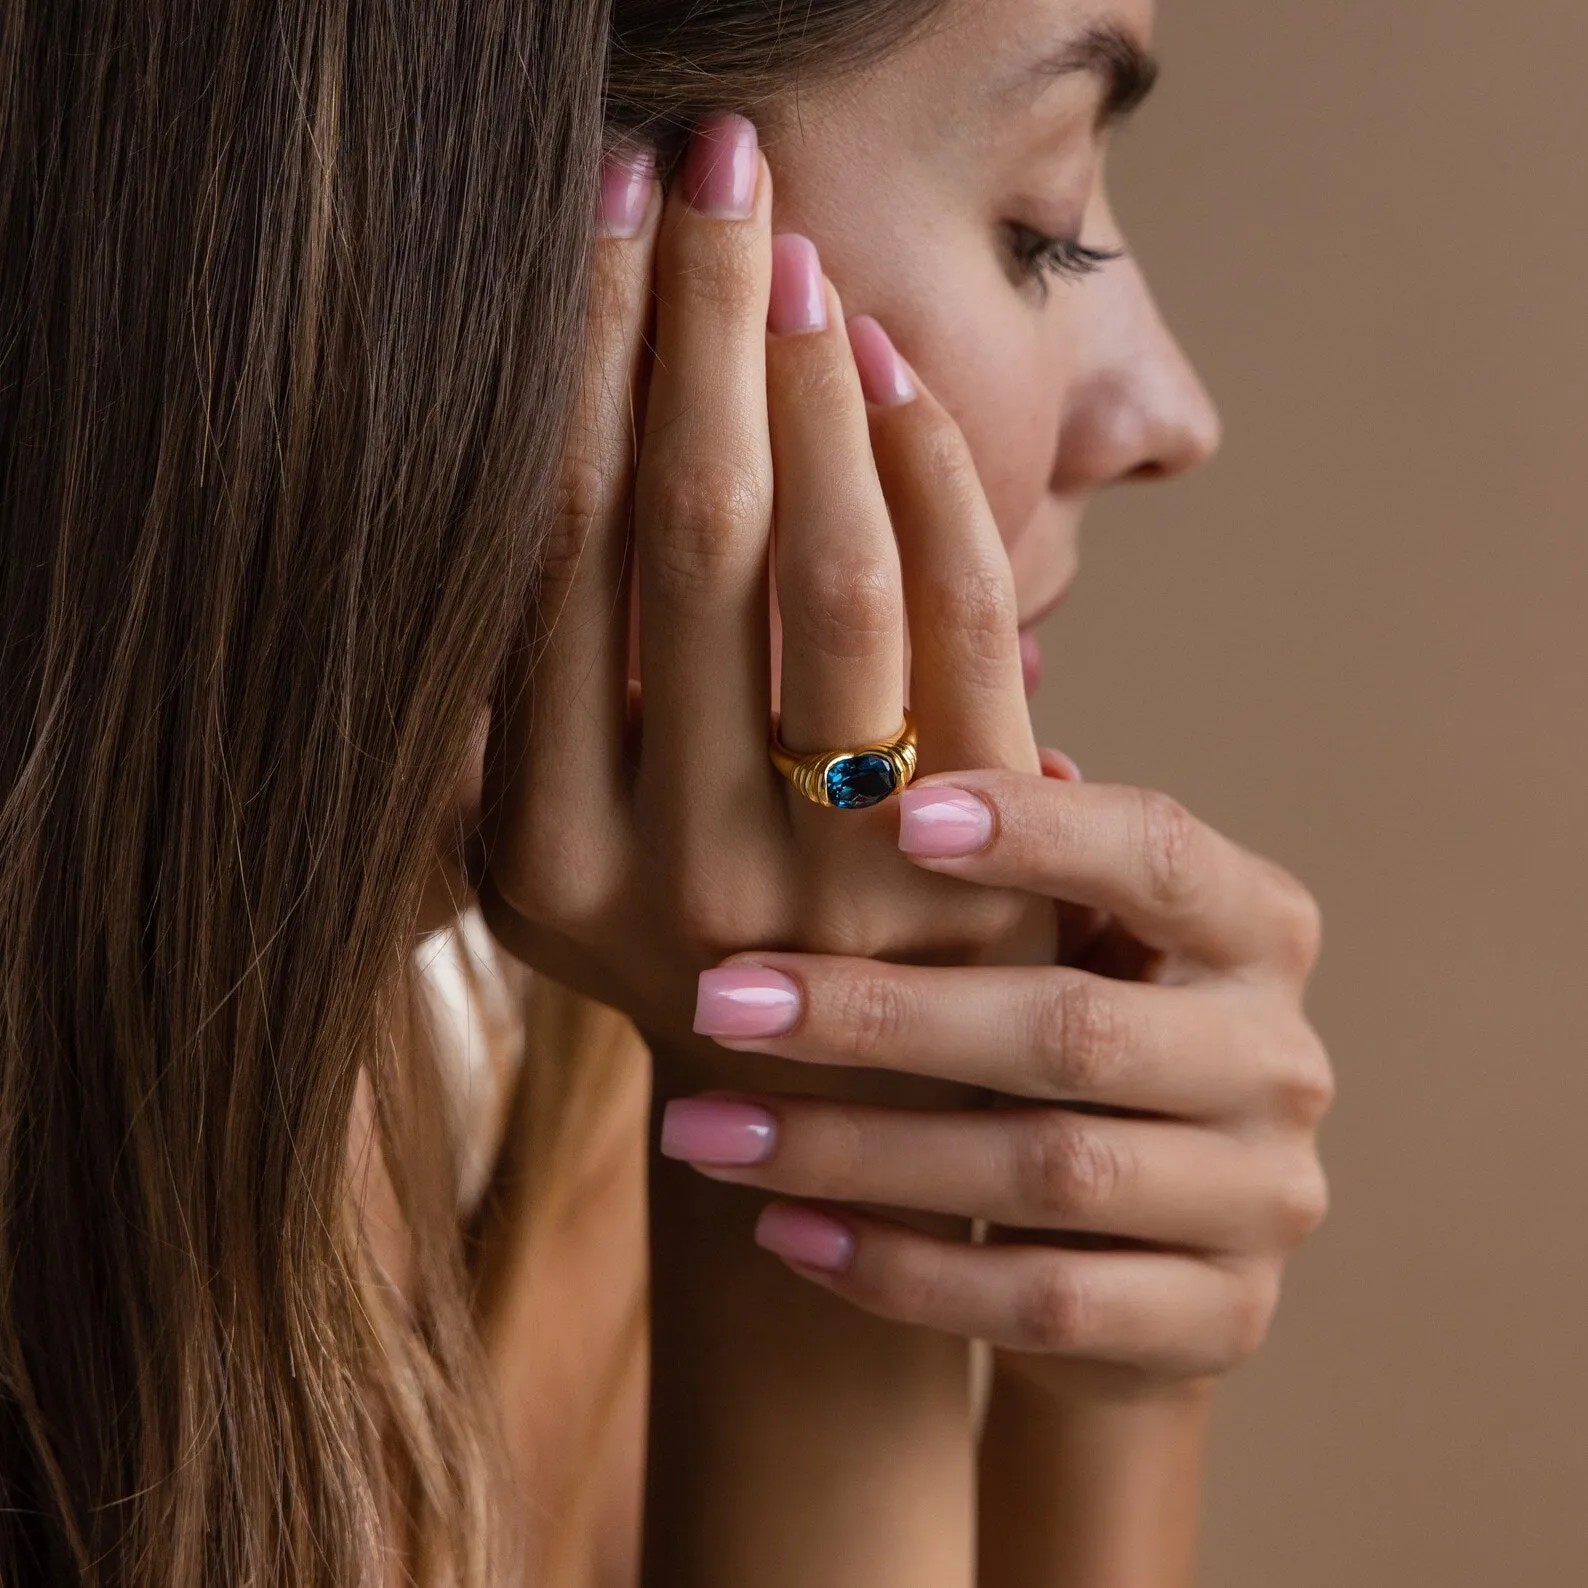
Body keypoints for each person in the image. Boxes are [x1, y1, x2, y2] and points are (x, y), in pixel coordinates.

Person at [0, 1, 1333, 1584]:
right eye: (1041, 231)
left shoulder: (530, 1039)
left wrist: (1105, 1386)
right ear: (471, 238)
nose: (1169, 414)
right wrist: (811, 1121)